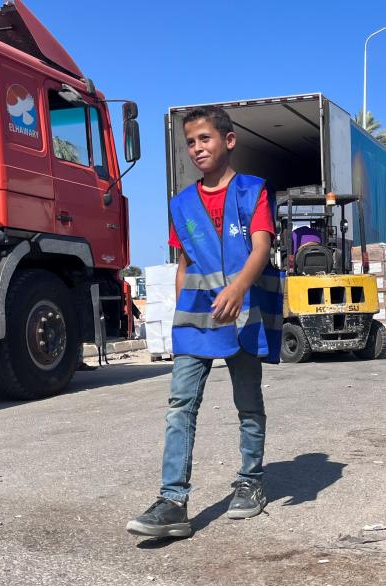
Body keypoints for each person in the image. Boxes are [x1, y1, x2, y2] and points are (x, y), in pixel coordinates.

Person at [127, 106, 281, 538]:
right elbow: (183, 263)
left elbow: (261, 248)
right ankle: (172, 500)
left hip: (242, 314)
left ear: (228, 141)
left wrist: (237, 291)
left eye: (205, 139)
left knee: (247, 403)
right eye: (191, 142)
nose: (197, 148)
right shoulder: (182, 204)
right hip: (196, 319)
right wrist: (179, 317)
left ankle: (250, 481)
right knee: (180, 405)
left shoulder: (252, 192)